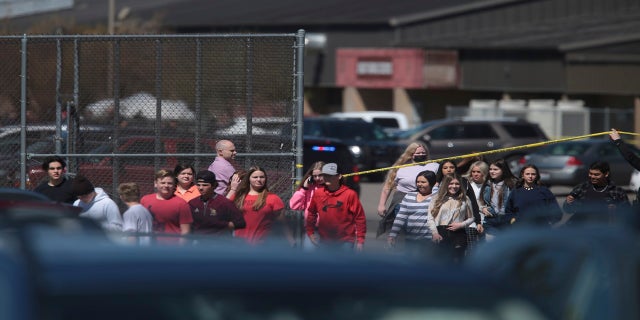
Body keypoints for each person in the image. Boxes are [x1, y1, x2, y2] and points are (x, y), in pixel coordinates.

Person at [377, 142, 438, 236]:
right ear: (410, 154)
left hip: (425, 204)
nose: (421, 155)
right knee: (403, 232)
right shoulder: (400, 168)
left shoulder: (434, 166)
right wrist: (381, 205)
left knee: (421, 232)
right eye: (418, 153)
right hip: (402, 203)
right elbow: (388, 186)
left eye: (423, 153)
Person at [307, 163, 367, 252]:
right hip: (324, 241)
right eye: (325, 175)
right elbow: (311, 213)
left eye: (330, 175)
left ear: (339, 176)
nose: (327, 178)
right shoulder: (318, 193)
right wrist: (310, 232)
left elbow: (359, 218)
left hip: (345, 241)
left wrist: (360, 240)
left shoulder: (350, 194)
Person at [232, 166, 292, 245]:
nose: (259, 179)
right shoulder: (238, 196)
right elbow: (223, 210)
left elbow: (283, 224)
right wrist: (232, 189)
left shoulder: (273, 198)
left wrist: (290, 240)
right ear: (248, 179)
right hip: (239, 244)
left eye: (262, 177)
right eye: (255, 177)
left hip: (262, 245)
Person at [561, 161, 629, 225]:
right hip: (581, 229)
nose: (592, 177)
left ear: (606, 174)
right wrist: (569, 202)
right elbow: (568, 210)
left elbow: (628, 213)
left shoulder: (617, 191)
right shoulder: (581, 188)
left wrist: (616, 210)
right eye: (590, 173)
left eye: (596, 174)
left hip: (606, 230)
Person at [387, 170, 438, 257]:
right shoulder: (409, 195)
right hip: (410, 239)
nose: (419, 184)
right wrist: (393, 234)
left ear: (431, 183)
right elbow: (401, 217)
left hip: (429, 240)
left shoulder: (436, 197)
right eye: (418, 182)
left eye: (423, 182)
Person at [427, 173, 474, 263]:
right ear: (445, 184)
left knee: (457, 261)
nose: (454, 186)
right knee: (441, 261)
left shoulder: (465, 198)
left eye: (457, 184)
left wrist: (461, 224)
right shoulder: (437, 198)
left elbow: (471, 218)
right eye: (451, 183)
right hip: (441, 232)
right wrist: (435, 233)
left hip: (458, 233)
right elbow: (430, 218)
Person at [189, 170, 246, 237]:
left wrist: (220, 225)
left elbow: (240, 223)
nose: (201, 188)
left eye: (205, 185)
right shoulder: (192, 203)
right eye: (198, 185)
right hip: (198, 243)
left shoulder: (224, 203)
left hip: (219, 243)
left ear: (214, 185)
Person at [141, 169, 193, 241]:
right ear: (156, 183)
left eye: (169, 183)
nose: (166, 185)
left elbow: (185, 231)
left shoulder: (181, 204)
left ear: (174, 185)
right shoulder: (145, 200)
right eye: (163, 183)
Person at [289, 161, 325, 250]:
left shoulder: (332, 187)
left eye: (320, 175)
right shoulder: (309, 189)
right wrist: (304, 188)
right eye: (315, 176)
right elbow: (294, 205)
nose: (317, 178)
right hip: (312, 230)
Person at [479, 158, 518, 239]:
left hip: (508, 220)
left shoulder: (513, 183)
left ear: (503, 170)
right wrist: (482, 208)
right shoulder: (488, 184)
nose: (492, 171)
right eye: (490, 169)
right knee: (492, 248)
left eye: (495, 169)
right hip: (491, 220)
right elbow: (480, 200)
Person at [462, 160, 489, 248]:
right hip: (471, 223)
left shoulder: (489, 186)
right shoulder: (467, 185)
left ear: (484, 173)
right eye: (473, 172)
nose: (475, 174)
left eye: (478, 172)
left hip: (486, 222)